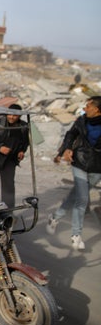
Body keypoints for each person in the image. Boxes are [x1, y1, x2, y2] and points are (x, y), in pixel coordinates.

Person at [47, 96, 101, 250]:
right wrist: (67, 149)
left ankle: (54, 217)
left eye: (88, 106)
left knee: (76, 194)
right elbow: (70, 134)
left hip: (98, 166)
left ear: (97, 109)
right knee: (82, 199)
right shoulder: (82, 120)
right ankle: (76, 235)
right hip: (80, 161)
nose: (85, 109)